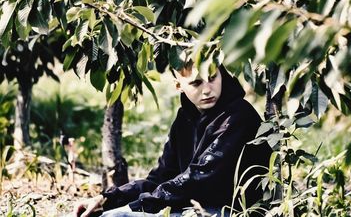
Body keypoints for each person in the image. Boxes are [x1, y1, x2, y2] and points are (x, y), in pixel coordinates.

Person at [72, 63, 272, 217]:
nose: (207, 90)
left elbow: (199, 178)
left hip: (233, 211)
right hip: (192, 206)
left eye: (212, 78)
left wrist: (136, 207)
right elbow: (160, 177)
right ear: (179, 85)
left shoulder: (238, 116)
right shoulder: (185, 117)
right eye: (196, 83)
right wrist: (106, 199)